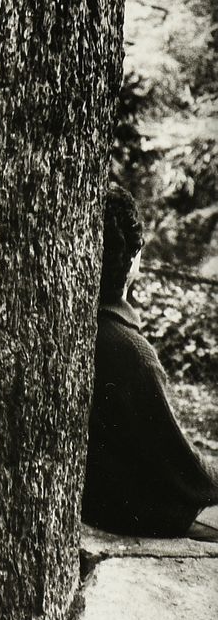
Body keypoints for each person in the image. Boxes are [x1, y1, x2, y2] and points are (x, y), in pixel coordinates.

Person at [82, 187, 218, 541]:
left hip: (96, 498)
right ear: (134, 257)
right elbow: (187, 473)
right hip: (132, 511)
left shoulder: (81, 330)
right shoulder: (132, 353)